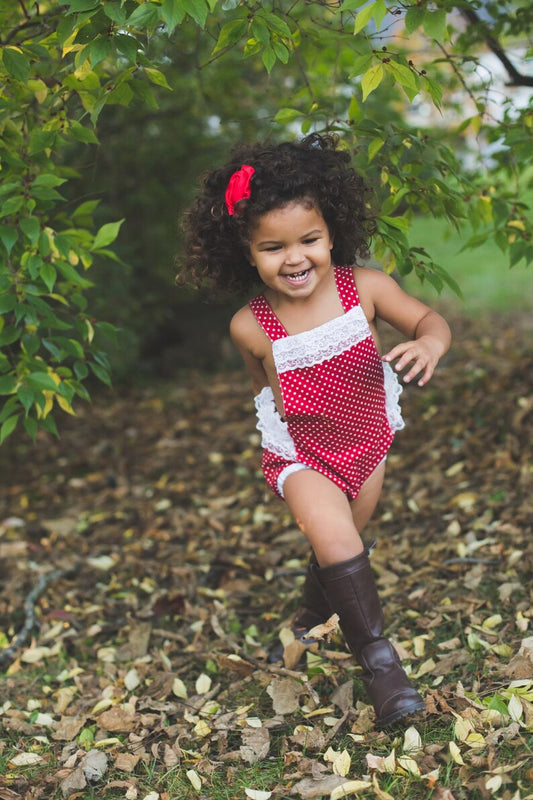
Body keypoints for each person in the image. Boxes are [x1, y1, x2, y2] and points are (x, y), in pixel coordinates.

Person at [181, 134, 451, 728]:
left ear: (332, 233)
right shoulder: (250, 325)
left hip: (368, 439)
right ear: (246, 253)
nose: (295, 257)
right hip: (302, 454)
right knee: (335, 542)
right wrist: (286, 449)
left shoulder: (366, 289)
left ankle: (307, 619)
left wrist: (429, 342)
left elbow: (429, 318)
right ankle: (383, 669)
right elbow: (263, 389)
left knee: (342, 549)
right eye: (272, 247)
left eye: (309, 240)